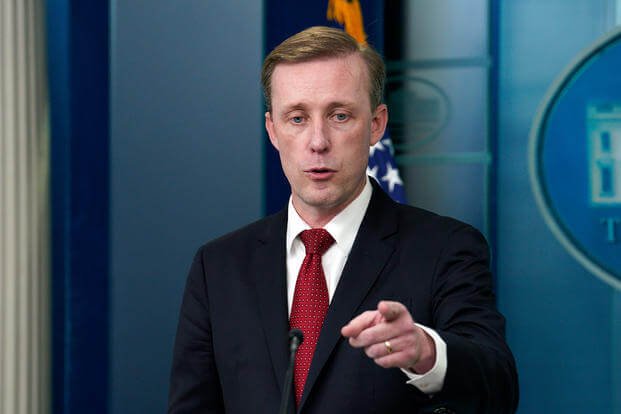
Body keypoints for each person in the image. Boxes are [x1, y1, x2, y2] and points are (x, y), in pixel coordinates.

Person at [168, 26, 518, 414]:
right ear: (272, 130)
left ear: (376, 124)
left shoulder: (444, 248)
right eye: (297, 118)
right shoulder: (218, 266)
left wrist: (425, 352)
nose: (318, 141)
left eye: (339, 115)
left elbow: (498, 385)